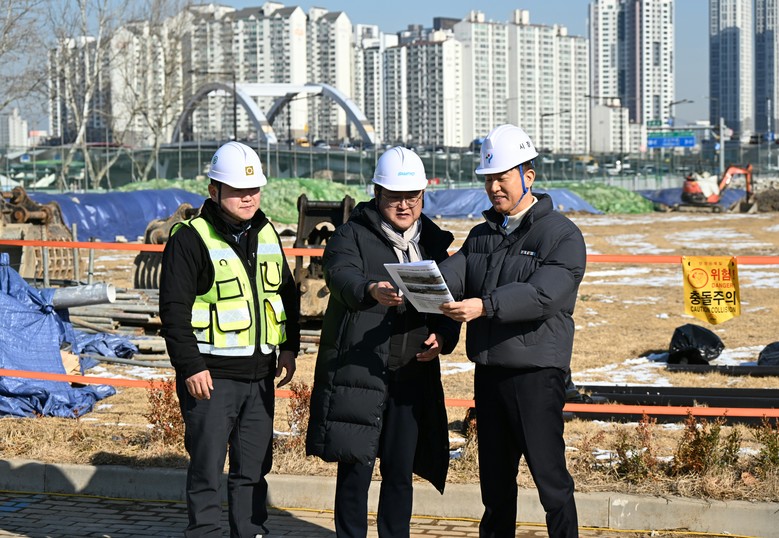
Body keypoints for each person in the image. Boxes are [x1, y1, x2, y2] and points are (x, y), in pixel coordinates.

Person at [439, 124, 586, 538]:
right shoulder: (482, 235)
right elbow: (452, 275)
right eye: (488, 179)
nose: (494, 187)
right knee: (495, 487)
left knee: (551, 482)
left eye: (501, 177)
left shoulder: (560, 234)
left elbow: (544, 295)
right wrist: (413, 283)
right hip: (490, 374)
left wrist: (485, 305)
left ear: (528, 176)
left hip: (535, 376)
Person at [306, 146, 459, 538]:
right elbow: (340, 275)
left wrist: (443, 336)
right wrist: (370, 289)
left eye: (412, 197)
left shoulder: (435, 242)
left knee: (400, 473)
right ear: (377, 193)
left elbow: (449, 301)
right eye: (394, 197)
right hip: (362, 373)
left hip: (411, 377)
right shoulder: (351, 235)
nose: (404, 205)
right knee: (355, 471)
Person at [160, 141, 300, 538]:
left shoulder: (267, 232)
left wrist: (289, 347)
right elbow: (173, 310)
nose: (248, 197)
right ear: (214, 190)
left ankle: (251, 532)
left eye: (254, 189)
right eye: (238, 190)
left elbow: (286, 294)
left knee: (253, 471)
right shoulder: (190, 238)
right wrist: (190, 366)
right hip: (211, 379)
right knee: (206, 470)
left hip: (260, 377)